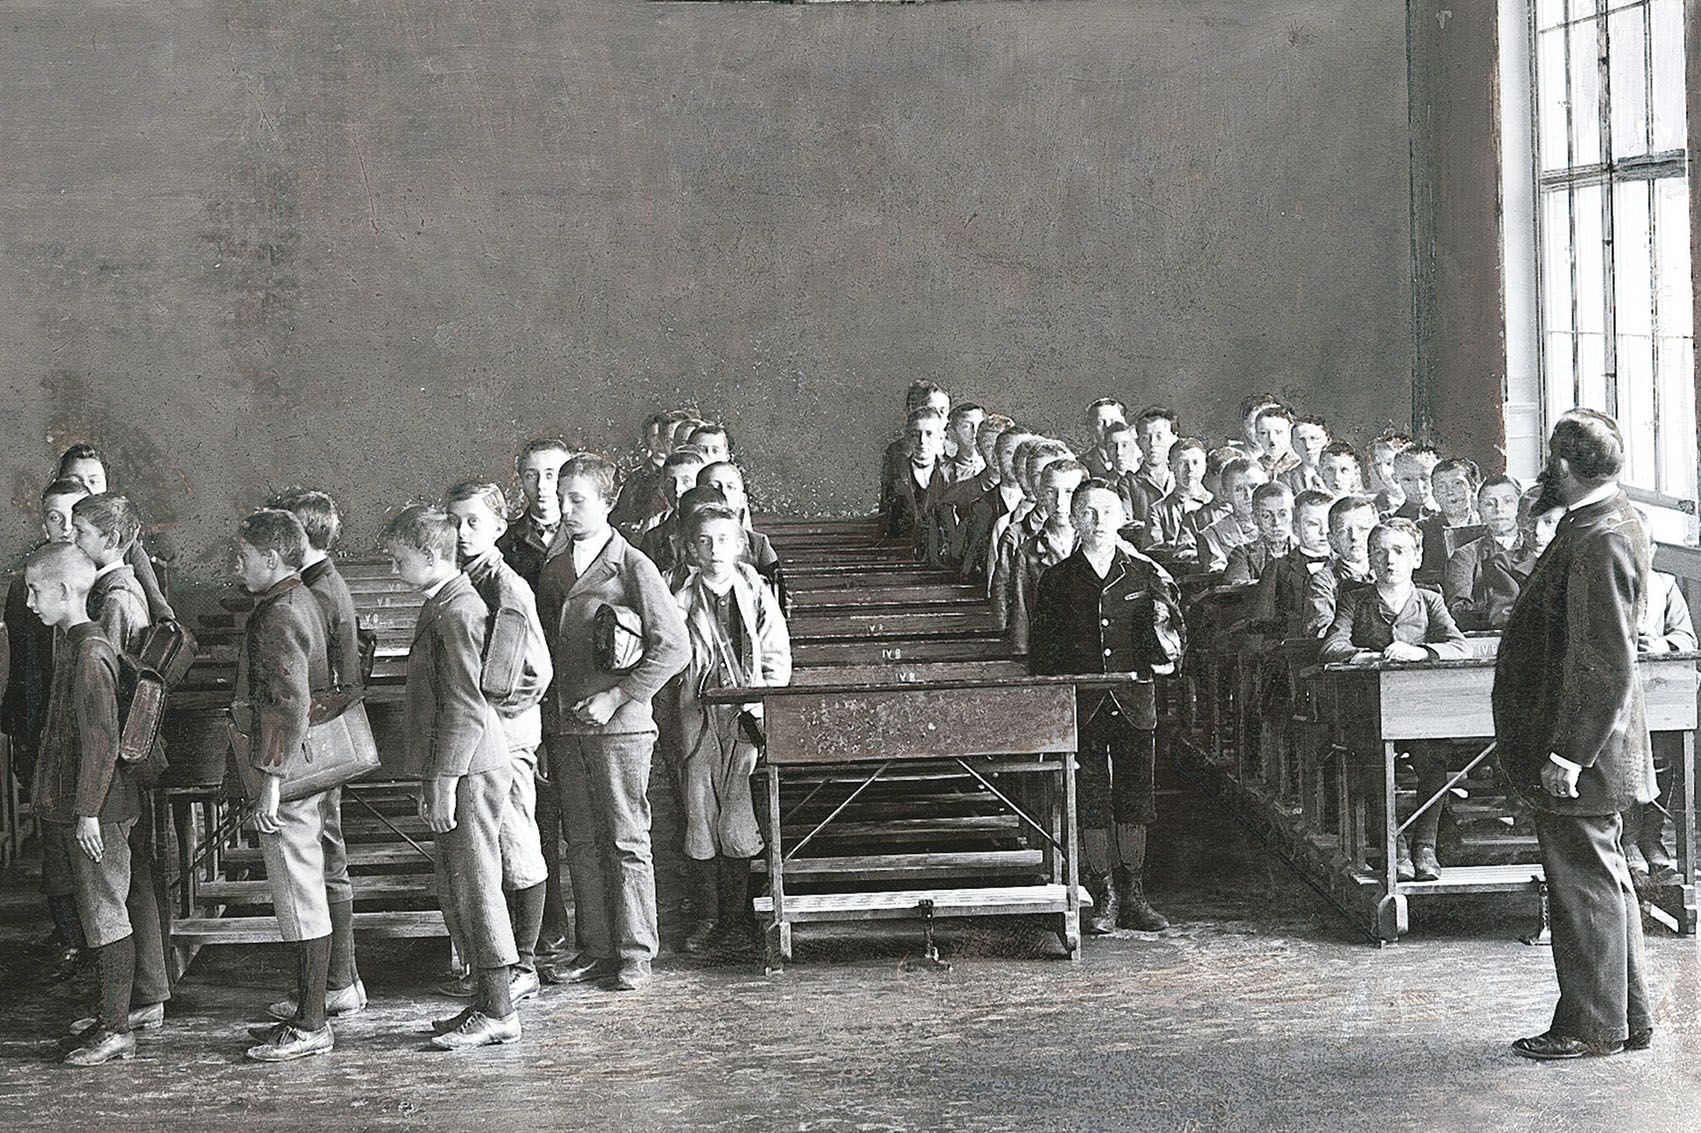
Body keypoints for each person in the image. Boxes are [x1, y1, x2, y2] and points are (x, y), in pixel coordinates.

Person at [1493, 408, 1655, 1060]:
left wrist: (1567, 751)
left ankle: (1588, 1026)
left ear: (1561, 465)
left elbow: (1602, 661)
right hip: (1589, 743)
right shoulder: (1597, 520)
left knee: (1581, 883)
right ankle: (1626, 1017)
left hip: (1581, 749)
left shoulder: (1599, 536)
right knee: (1605, 878)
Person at [535, 455, 690, 992]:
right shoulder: (555, 568)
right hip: (568, 726)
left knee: (626, 839)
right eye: (563, 498)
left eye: (579, 499)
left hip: (621, 728)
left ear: (607, 502)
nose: (567, 508)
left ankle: (635, 952)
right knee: (579, 840)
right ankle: (594, 947)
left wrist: (619, 696)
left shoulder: (633, 566)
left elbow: (674, 647)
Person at [384, 505, 521, 1049]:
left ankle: (501, 1011)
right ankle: (484, 1002)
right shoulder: (442, 603)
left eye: (400, 561)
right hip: (458, 765)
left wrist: (443, 782)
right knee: (460, 884)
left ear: (430, 556)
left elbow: (465, 707)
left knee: (478, 883)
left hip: (470, 767)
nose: (395, 571)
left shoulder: (458, 611)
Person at [1030, 483, 1184, 934]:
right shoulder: (1056, 579)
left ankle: (1135, 893)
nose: (1097, 521)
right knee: (1091, 797)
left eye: (1106, 512)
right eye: (1087, 512)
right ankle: (1105, 895)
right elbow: (1044, 653)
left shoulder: (1145, 575)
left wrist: (1164, 655)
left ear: (1121, 518)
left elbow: (1173, 638)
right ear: (1074, 519)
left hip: (1134, 701)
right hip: (1084, 705)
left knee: (1135, 797)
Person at [25, 544, 141, 1065]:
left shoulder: (91, 651)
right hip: (86, 804)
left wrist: (89, 811)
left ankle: (117, 1029)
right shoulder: (72, 643)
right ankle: (108, 1014)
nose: (29, 602)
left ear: (66, 592)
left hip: (102, 808)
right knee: (97, 914)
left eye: (35, 590)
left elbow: (101, 742)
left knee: (106, 912)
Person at [231, 510, 339, 1062]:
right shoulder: (295, 600)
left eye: (244, 555)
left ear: (271, 558)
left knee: (298, 894)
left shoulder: (280, 612)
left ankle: (313, 1022)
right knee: (299, 892)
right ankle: (306, 1010)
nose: (238, 565)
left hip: (287, 772)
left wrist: (271, 779)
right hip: (290, 766)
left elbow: (289, 702)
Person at [444, 482, 555, 1006]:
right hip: (479, 733)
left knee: (515, 843)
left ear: (498, 526)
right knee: (485, 850)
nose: (463, 533)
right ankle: (494, 957)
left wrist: (493, 713)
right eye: (455, 521)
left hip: (505, 734)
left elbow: (536, 672)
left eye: (473, 522)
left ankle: (525, 964)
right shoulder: (462, 580)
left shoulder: (506, 586)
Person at [670, 504, 792, 957]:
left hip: (744, 718)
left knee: (738, 815)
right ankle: (707, 917)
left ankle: (738, 917)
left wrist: (762, 702)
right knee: (700, 812)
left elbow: (777, 655)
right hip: (697, 716)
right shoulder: (679, 598)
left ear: (740, 544)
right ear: (691, 550)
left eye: (723, 539)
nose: (714, 549)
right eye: (704, 541)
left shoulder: (757, 592)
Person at [263, 489, 367, 1020]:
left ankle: (338, 983)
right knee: (327, 855)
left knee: (325, 859)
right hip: (319, 736)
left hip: (319, 741)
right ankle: (335, 981)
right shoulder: (320, 586)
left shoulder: (317, 592)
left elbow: (309, 685)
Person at [1321, 519, 1469, 880]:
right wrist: (1367, 656)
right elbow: (1331, 644)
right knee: (1373, 762)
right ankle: (1395, 847)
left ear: (1416, 558)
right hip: (1368, 710)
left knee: (1434, 760)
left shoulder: (1429, 600)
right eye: (1381, 552)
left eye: (1400, 551)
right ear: (1370, 560)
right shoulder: (1355, 600)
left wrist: (1421, 653)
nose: (1390, 560)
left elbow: (1458, 645)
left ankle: (1425, 847)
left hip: (1420, 709)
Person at [4, 478, 92, 977]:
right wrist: (30, 736)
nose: (64, 526)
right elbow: (25, 666)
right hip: (43, 728)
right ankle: (70, 940)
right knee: (56, 849)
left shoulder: (91, 581)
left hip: (80, 735)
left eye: (73, 517)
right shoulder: (30, 585)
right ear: (44, 523)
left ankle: (87, 946)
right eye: (55, 517)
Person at [1622, 509, 1695, 885]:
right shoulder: (1604, 584)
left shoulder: (1665, 586)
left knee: (1663, 759)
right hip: (1618, 695)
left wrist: (1662, 642)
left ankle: (1652, 838)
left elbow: (1686, 638)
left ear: (1651, 551)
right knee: (1625, 760)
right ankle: (1628, 840)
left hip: (1658, 694)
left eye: (1640, 547)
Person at [55, 445, 175, 622]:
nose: (86, 489)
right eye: (75, 481)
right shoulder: (53, 546)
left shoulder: (126, 549)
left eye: (94, 482)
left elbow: (157, 604)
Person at [1007, 460, 1086, 654]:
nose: (1059, 502)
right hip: (1051, 650)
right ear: (1041, 494)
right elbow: (1021, 612)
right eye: (1052, 491)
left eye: (1069, 492)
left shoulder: (1100, 543)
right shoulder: (1028, 552)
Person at [1442, 474, 1532, 631]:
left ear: (1520, 506)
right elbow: (1458, 610)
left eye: (1508, 501)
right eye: (1490, 503)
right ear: (1479, 508)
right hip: (1487, 634)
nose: (1499, 509)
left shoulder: (1536, 546)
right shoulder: (1465, 555)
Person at [498, 438, 575, 587]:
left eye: (550, 475)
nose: (541, 485)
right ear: (521, 481)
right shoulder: (504, 540)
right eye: (531, 475)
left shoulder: (586, 535)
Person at [1303, 494, 1378, 636]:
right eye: (1344, 531)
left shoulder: (1390, 571)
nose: (1354, 536)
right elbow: (1321, 625)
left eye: (1363, 529)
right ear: (1332, 540)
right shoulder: (1324, 580)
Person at [1417, 457, 1485, 584]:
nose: (1450, 492)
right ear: (1435, 495)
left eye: (1457, 484)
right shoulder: (1421, 530)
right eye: (1441, 486)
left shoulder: (1486, 526)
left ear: (1473, 488)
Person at [1146, 437, 1216, 555]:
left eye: (1195, 462)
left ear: (1205, 465)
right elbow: (1153, 552)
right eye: (1182, 463)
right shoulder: (1158, 510)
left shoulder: (1217, 505)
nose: (1190, 470)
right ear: (1170, 467)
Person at [1196, 458, 1266, 573]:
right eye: (1238, 489)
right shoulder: (1212, 535)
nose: (1248, 495)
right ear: (1225, 493)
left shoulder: (1281, 527)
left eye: (1254, 487)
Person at [1222, 482, 1294, 585]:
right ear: (1254, 518)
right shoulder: (1243, 554)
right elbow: (1237, 588)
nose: (1276, 522)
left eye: (1283, 514)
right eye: (1266, 516)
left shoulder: (1305, 550)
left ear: (1293, 515)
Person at [1280, 415, 1330, 494]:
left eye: (1314, 438)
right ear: (1293, 445)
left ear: (1327, 440)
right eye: (1301, 440)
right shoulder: (1286, 480)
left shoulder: (1344, 472)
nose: (1308, 446)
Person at [1080, 397, 1127, 479]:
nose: (1108, 426)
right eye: (1101, 422)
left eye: (1113, 420)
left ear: (1124, 423)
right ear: (1091, 427)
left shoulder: (1143, 459)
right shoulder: (1082, 464)